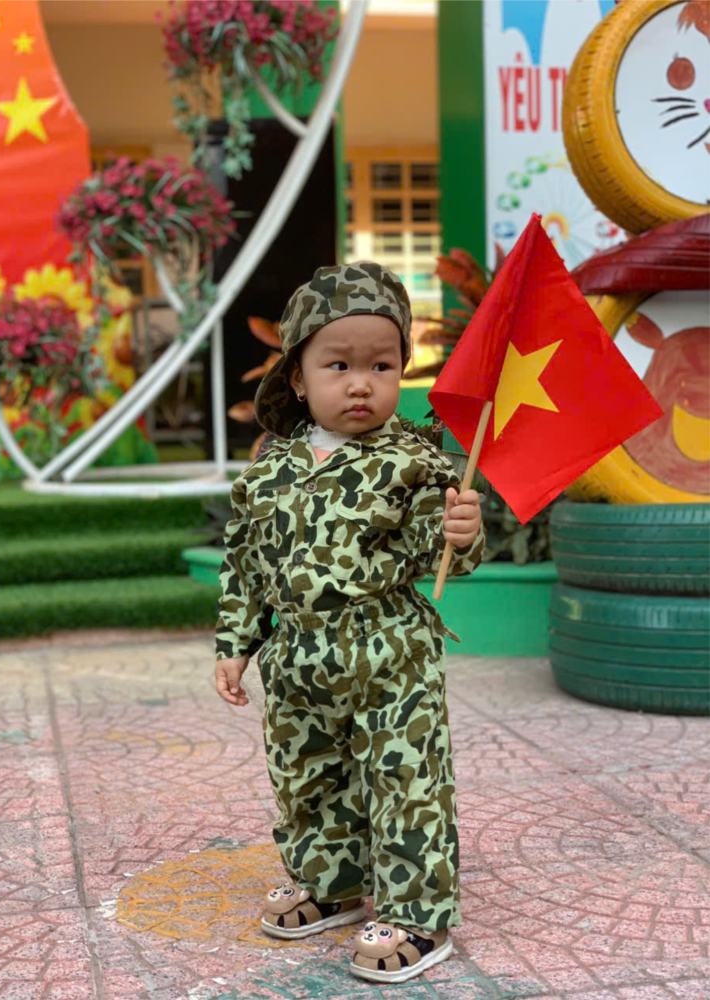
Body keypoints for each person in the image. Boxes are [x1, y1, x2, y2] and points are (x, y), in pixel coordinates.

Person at [215, 261, 484, 984]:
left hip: (390, 649)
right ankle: (330, 882)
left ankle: (419, 914)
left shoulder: (414, 461)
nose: (361, 383)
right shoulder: (270, 470)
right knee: (307, 775)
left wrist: (462, 534)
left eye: (381, 365)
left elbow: (440, 551)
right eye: (339, 365)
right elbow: (246, 562)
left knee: (405, 777)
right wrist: (236, 644)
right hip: (299, 656)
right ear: (298, 378)